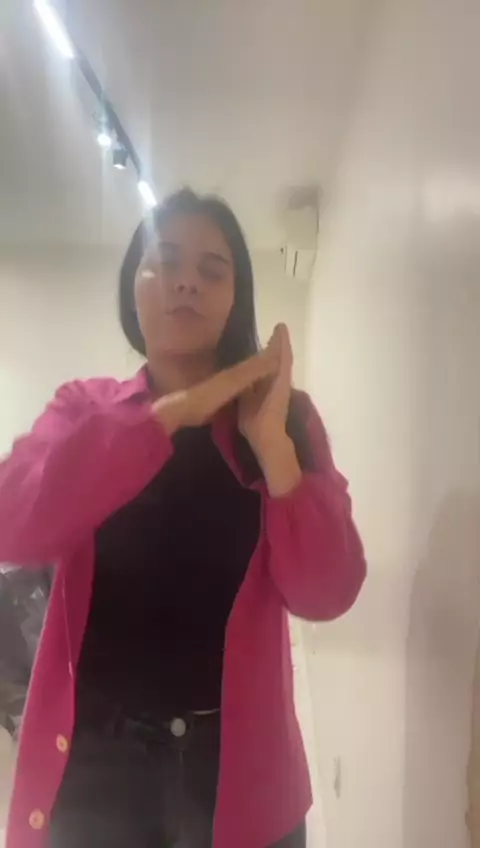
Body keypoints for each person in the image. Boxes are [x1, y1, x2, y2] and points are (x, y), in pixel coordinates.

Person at [0, 188, 366, 848]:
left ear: (235, 299)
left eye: (212, 269)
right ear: (133, 286)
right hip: (98, 766)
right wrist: (171, 415)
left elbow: (327, 593)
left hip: (238, 769)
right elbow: (13, 524)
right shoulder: (85, 409)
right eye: (164, 260)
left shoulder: (285, 417)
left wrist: (274, 451)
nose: (186, 281)